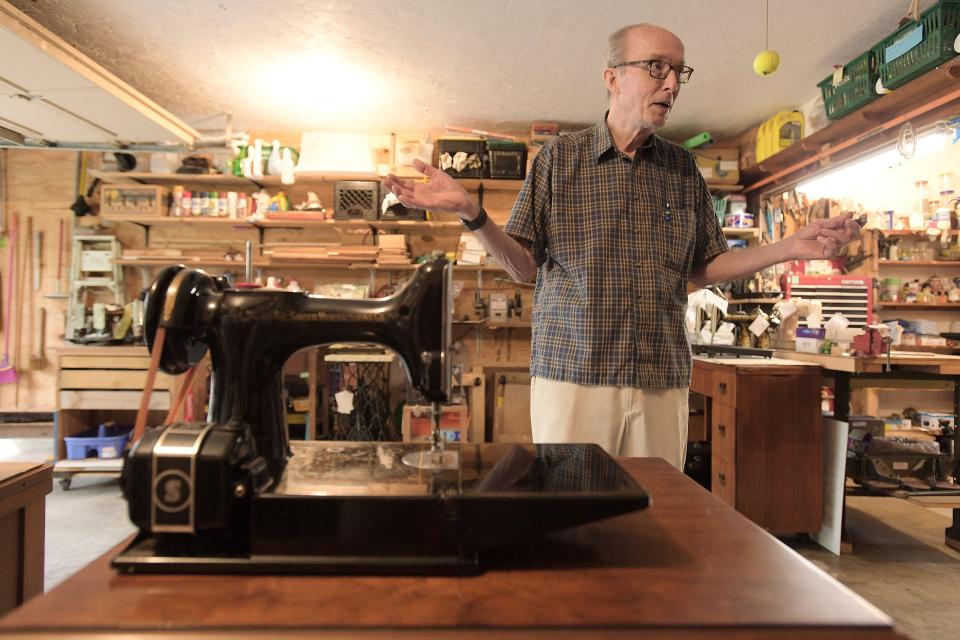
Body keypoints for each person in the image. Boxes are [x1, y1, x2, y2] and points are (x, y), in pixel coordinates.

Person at [383, 23, 860, 469]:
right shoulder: (559, 159)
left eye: (678, 72)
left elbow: (703, 269)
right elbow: (522, 265)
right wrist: (472, 211)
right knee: (574, 519)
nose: (671, 84)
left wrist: (790, 245)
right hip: (574, 375)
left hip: (660, 378)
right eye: (657, 67)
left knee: (655, 520)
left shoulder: (682, 169)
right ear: (612, 78)